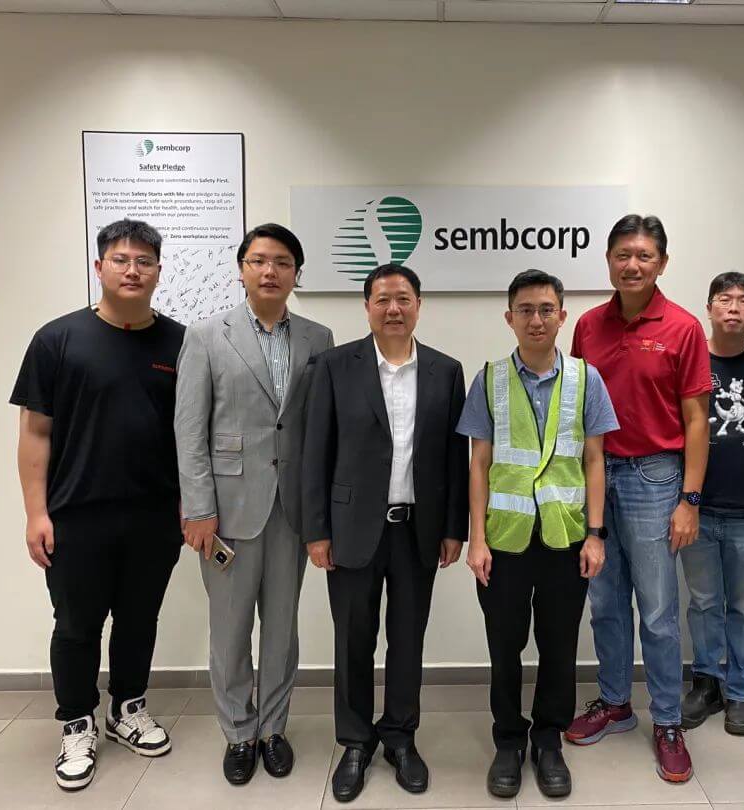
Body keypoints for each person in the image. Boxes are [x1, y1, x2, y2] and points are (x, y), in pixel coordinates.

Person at [11, 219, 184, 791]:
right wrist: (36, 513)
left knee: (139, 619)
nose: (133, 270)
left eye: (144, 261)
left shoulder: (180, 343)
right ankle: (77, 722)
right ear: (99, 267)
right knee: (77, 625)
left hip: (155, 514)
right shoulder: (57, 340)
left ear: (158, 271)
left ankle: (128, 709)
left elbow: (194, 435)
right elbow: (35, 433)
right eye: (121, 259)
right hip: (77, 514)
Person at [302, 263, 469, 803]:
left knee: (407, 640)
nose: (393, 309)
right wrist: (316, 531)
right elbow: (315, 451)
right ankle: (355, 741)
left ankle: (400, 736)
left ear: (419, 305)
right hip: (350, 529)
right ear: (367, 306)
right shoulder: (334, 366)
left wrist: (455, 528)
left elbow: (455, 457)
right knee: (353, 640)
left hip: (418, 529)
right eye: (382, 299)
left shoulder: (446, 370)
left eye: (403, 298)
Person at [174, 223, 334, 785]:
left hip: (292, 510)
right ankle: (238, 733)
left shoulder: (318, 338)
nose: (270, 271)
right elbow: (189, 429)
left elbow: (319, 428)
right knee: (230, 628)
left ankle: (273, 730)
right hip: (226, 511)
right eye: (259, 260)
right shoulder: (206, 336)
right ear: (241, 269)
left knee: (283, 629)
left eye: (283, 262)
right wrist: (198, 507)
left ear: (296, 274)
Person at [457, 269, 618, 799]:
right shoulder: (488, 379)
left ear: (562, 316)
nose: (536, 319)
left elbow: (594, 460)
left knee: (559, 645)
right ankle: (508, 740)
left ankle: (548, 740)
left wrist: (595, 534)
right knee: (504, 646)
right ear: (510, 318)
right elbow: (479, 465)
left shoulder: (586, 379)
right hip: (503, 541)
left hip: (566, 538)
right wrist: (476, 539)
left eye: (546, 309)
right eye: (525, 310)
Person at [567, 214, 712, 784]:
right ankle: (614, 702)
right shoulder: (587, 326)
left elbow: (696, 420)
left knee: (656, 609)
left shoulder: (683, 328)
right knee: (604, 600)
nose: (632, 265)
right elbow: (576, 407)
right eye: (623, 255)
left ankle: (668, 720)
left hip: (655, 477)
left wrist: (690, 498)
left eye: (644, 256)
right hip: (595, 476)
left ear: (662, 263)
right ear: (608, 260)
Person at [680, 272, 744, 736]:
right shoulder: (690, 359)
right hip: (697, 507)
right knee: (702, 603)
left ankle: (741, 691)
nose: (734, 307)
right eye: (724, 299)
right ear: (709, 308)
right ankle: (706, 683)